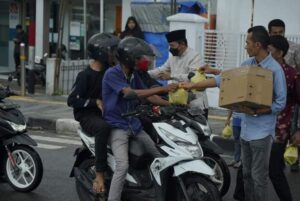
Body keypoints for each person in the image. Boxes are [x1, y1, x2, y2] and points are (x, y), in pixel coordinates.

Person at [181, 26, 287, 201]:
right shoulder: (246, 66)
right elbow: (220, 80)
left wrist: (256, 111)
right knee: (246, 175)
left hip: (262, 132)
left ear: (258, 45)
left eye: (248, 42)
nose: (245, 46)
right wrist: (192, 86)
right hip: (245, 131)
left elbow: (280, 103)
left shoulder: (275, 70)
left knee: (258, 177)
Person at [102, 37, 178, 201]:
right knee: (122, 166)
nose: (143, 61)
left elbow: (150, 97)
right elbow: (130, 93)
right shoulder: (112, 74)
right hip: (118, 126)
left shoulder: (133, 75)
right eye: (139, 58)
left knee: (160, 156)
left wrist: (173, 103)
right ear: (128, 58)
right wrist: (165, 87)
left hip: (133, 124)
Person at [67, 33, 120, 194]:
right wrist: (94, 102)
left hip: (105, 112)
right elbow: (72, 100)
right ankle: (99, 175)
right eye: (111, 51)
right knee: (102, 128)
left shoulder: (110, 72)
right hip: (87, 115)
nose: (113, 54)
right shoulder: (85, 75)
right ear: (101, 53)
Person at [148, 29, 209, 118]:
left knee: (198, 131)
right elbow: (162, 70)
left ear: (182, 44)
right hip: (178, 103)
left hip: (195, 104)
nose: (170, 49)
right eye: (169, 46)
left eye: (172, 45)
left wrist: (171, 76)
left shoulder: (195, 56)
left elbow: (194, 77)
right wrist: (145, 73)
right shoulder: (173, 57)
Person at [268, 35, 299, 201]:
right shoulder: (263, 71)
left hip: (280, 130)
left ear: (279, 53)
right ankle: (240, 195)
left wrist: (298, 130)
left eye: (269, 50)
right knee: (249, 166)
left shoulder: (292, 75)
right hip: (260, 126)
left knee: (274, 170)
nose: (266, 52)